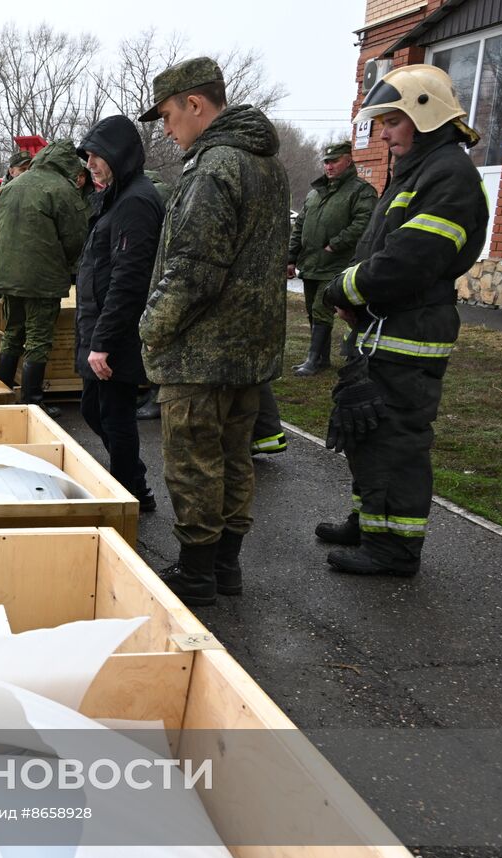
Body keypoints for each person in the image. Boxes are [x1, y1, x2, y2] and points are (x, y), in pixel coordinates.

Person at [318, 64, 487, 578]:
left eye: (391, 121)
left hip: (409, 336)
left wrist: (346, 288)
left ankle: (394, 549)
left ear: (424, 114)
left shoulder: (449, 177)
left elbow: (410, 259)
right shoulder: (418, 173)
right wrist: (359, 300)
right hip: (385, 329)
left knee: (395, 438)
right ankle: (371, 521)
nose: (383, 133)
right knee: (367, 429)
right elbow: (385, 251)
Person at [137, 56, 289, 606]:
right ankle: (226, 568)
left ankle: (197, 574)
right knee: (233, 457)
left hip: (201, 353)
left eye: (170, 117)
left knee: (194, 462)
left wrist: (151, 327)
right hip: (250, 351)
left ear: (195, 104)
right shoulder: (265, 164)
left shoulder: (215, 165)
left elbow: (194, 268)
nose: (168, 130)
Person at [75, 115, 164, 514]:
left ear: (118, 154)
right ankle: (132, 482)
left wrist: (104, 342)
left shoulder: (136, 202)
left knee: (115, 416)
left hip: (116, 336)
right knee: (94, 410)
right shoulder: (118, 197)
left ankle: (130, 492)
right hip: (100, 330)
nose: (90, 163)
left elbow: (129, 280)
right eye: (88, 156)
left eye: (96, 155)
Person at [0, 138, 91, 416]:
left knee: (12, 332)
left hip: (8, 275)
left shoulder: (10, 188)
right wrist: (68, 265)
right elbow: (76, 238)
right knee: (38, 338)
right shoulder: (62, 189)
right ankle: (32, 400)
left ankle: (3, 391)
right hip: (42, 278)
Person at [288, 141, 377, 376]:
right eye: (326, 162)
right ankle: (321, 358)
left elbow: (364, 223)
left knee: (321, 308)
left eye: (334, 161)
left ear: (348, 161)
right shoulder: (315, 193)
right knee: (312, 310)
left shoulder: (361, 191)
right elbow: (300, 227)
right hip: (311, 263)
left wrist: (336, 243)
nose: (329, 166)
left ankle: (314, 360)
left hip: (338, 264)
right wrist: (291, 257)